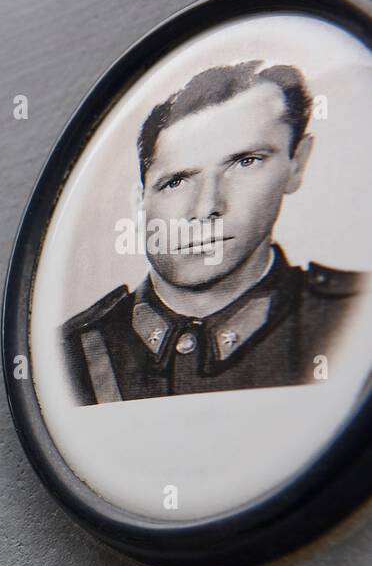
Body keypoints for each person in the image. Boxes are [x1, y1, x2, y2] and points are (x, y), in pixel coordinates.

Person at [62, 61, 364, 405]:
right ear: (139, 202)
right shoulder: (69, 358)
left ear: (297, 163)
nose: (206, 207)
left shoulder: (355, 320)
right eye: (176, 181)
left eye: (245, 162)